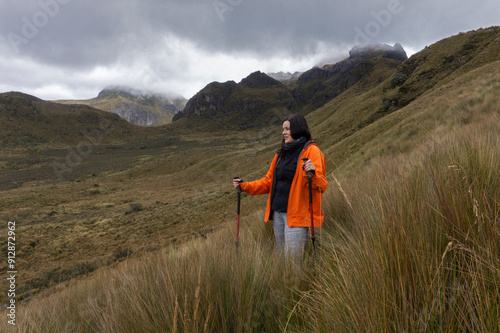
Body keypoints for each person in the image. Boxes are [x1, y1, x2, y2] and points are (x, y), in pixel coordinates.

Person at [233, 114, 328, 262]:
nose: (283, 132)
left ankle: (297, 285)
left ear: (297, 129)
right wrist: (245, 186)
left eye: (287, 129)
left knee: (293, 261)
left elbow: (321, 186)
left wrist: (313, 174)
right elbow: (268, 182)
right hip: (277, 214)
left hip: (297, 215)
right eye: (283, 129)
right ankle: (287, 284)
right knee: (284, 260)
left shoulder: (312, 151)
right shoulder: (281, 153)